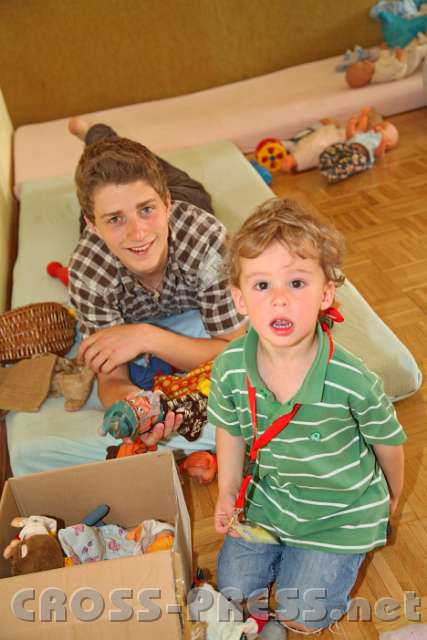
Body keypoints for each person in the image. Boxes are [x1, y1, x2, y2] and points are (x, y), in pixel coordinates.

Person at [207, 198, 406, 638]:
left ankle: (315, 565)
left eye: (297, 282)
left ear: (326, 294)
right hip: (267, 501)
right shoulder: (229, 367)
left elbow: (388, 441)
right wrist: (227, 491)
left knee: (304, 614)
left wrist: (391, 497)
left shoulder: (352, 379)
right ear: (240, 299)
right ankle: (286, 560)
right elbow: (231, 430)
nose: (279, 299)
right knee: (234, 592)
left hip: (339, 514)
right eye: (262, 285)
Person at [68, 118, 245, 450]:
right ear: (92, 226)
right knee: (102, 157)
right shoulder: (88, 272)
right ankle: (95, 138)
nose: (138, 233)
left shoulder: (207, 240)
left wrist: (145, 336)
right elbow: (113, 379)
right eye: (115, 219)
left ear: (166, 205)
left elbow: (235, 350)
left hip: (188, 196)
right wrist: (138, 407)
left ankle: (93, 130)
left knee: (138, 159)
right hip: (114, 225)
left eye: (147, 210)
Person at [318, 120, 399, 183]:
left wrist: (383, 142)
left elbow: (378, 154)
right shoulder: (365, 134)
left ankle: (335, 173)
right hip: (347, 147)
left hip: (360, 156)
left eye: (383, 129)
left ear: (388, 143)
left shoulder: (378, 142)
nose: (377, 127)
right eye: (379, 125)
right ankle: (325, 161)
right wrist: (351, 125)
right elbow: (350, 137)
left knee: (350, 163)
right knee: (336, 147)